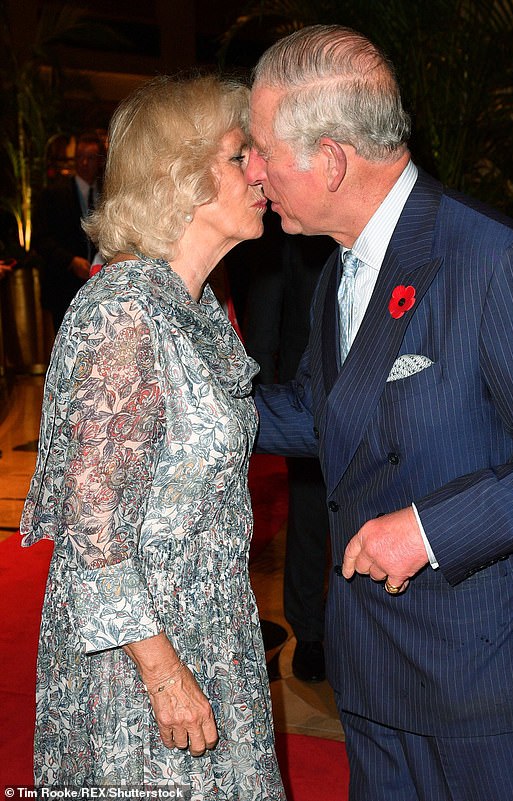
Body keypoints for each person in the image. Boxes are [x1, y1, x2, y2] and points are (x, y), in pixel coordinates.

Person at [244, 24, 513, 801]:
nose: (251, 173)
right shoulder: (339, 270)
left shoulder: (496, 266)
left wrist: (425, 529)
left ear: (330, 161)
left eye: (259, 150)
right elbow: (332, 417)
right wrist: (195, 413)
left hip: (488, 666)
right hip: (378, 659)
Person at [20, 73, 285, 800]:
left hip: (212, 623)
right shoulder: (123, 310)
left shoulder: (194, 303)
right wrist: (165, 676)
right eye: (241, 155)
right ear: (184, 175)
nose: (260, 170)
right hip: (140, 654)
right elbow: (92, 534)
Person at [245, 222, 336, 681]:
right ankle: (311, 633)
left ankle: (350, 631)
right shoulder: (293, 224)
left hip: (379, 394)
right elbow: (266, 306)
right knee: (309, 513)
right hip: (307, 397)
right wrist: (253, 402)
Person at [33, 131, 105, 330]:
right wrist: (70, 261)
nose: (84, 163)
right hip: (64, 287)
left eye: (90, 158)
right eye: (80, 158)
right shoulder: (54, 194)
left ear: (99, 161)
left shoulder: (108, 194)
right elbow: (41, 239)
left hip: (100, 288)